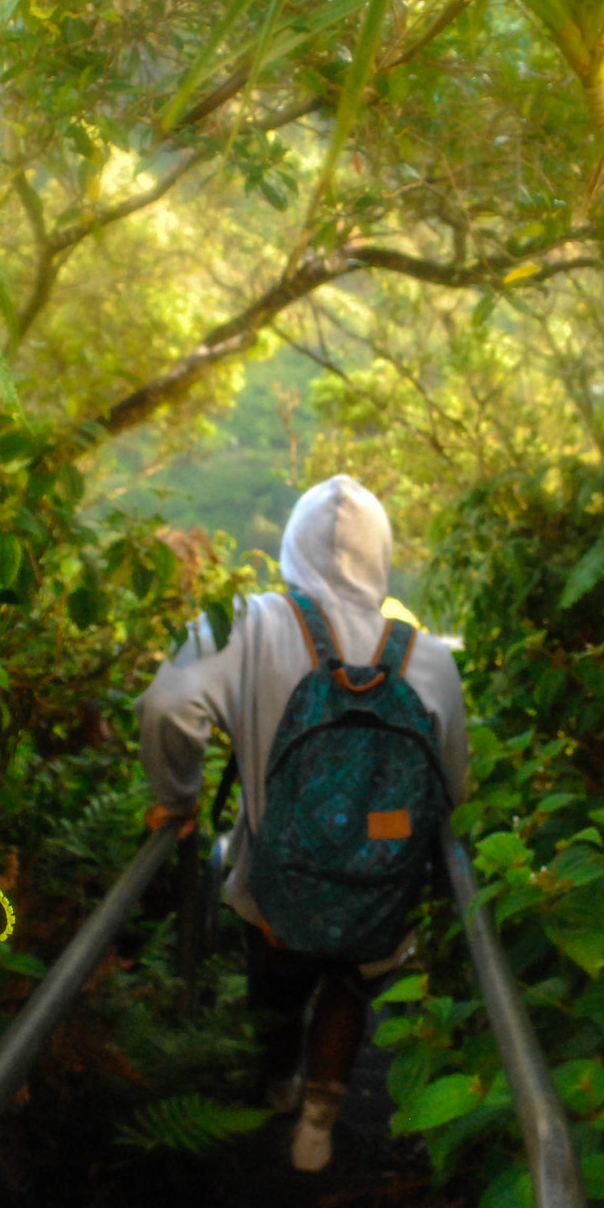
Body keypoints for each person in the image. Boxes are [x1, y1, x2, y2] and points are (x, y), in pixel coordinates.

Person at [137, 476, 469, 1172]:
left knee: (278, 980)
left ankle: (276, 1083)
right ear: (382, 552)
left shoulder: (246, 626)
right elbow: (454, 785)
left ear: (290, 547)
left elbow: (167, 707)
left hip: (277, 888)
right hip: (381, 882)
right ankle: (319, 1123)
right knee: (350, 977)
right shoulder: (428, 656)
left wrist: (180, 793)